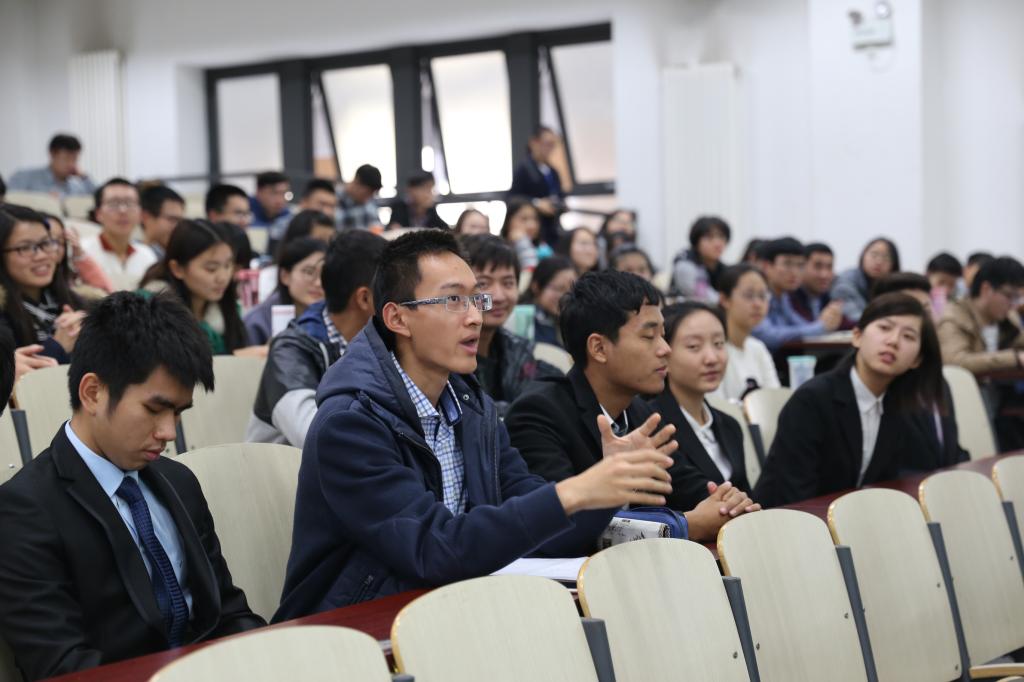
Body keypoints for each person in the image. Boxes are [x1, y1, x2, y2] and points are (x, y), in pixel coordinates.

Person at [274, 230, 673, 619]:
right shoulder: (350, 423)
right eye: (453, 300)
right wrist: (573, 492)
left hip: (450, 609)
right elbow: (434, 549)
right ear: (398, 318)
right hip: (351, 626)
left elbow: (541, 527)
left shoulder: (472, 407)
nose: (475, 317)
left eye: (475, 299)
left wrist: (603, 488)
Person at [0, 292, 265, 680]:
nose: (169, 432)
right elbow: (63, 665)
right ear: (93, 393)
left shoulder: (178, 481)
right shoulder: (25, 509)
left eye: (178, 412)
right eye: (154, 409)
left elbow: (228, 611)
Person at [505, 271, 758, 541]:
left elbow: (688, 486)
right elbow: (558, 523)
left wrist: (727, 503)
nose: (665, 349)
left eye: (663, 335)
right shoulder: (539, 414)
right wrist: (686, 525)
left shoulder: (642, 414)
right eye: (649, 337)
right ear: (599, 348)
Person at [754, 293, 947, 506]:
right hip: (785, 518)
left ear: (917, 360)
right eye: (884, 328)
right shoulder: (812, 400)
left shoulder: (899, 408)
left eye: (908, 336)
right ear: (856, 336)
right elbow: (793, 492)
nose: (893, 341)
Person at [248, 231, 385, 447]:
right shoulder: (290, 351)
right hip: (285, 468)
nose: (400, 301)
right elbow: (315, 436)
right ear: (364, 298)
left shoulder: (383, 341)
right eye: (391, 289)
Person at [649, 302, 755, 510]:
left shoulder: (730, 425)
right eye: (694, 347)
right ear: (664, 353)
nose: (712, 358)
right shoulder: (653, 425)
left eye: (719, 343)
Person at [869, 272, 970, 468]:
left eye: (926, 309)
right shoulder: (879, 389)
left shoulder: (937, 380)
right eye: (911, 310)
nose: (923, 320)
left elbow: (952, 450)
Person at [460, 234, 561, 415]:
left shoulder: (517, 350)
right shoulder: (446, 358)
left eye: (508, 283)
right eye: (483, 283)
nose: (498, 296)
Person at [937, 257, 1024, 450]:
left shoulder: (1006, 317)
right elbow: (955, 362)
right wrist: (1014, 358)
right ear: (986, 289)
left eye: (1017, 298)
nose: (1014, 304)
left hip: (999, 400)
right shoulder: (953, 316)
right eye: (1009, 296)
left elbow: (1019, 340)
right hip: (963, 402)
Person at [139, 221, 248, 355]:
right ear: (177, 269)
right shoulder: (148, 309)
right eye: (211, 268)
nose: (223, 278)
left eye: (227, 266)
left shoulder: (228, 306)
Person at [0, 205, 85, 364]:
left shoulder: (77, 302)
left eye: (46, 243)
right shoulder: (3, 315)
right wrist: (58, 346)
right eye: (25, 247)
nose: (41, 255)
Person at [752, 237, 843, 351]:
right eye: (787, 264)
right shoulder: (755, 294)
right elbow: (767, 336)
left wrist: (824, 322)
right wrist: (821, 326)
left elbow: (799, 325)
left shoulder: (783, 296)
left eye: (800, 265)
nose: (794, 272)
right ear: (767, 266)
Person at [712, 264, 781, 402]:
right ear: (724, 299)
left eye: (763, 296)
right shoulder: (714, 351)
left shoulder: (758, 348)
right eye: (749, 296)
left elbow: (775, 400)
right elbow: (717, 406)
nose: (758, 304)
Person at [243, 238, 326, 345]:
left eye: (324, 274)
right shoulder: (258, 321)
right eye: (309, 272)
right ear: (285, 276)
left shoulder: (334, 317)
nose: (318, 283)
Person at [80, 178, 158, 291]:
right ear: (98, 214)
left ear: (140, 213)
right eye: (114, 204)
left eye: (130, 203)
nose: (123, 210)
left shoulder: (147, 255)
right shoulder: (83, 251)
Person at [509, 126, 565, 246]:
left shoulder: (553, 172)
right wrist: (537, 203)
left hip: (552, 227)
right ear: (534, 143)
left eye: (553, 145)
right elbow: (512, 198)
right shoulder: (524, 169)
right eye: (547, 144)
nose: (550, 149)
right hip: (533, 232)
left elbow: (559, 194)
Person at [43, 212, 113, 296]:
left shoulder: (67, 279)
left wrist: (78, 254)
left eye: (61, 241)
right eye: (48, 242)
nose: (56, 248)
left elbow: (108, 293)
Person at [831, 237, 900, 321]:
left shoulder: (895, 288)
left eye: (886, 257)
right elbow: (857, 318)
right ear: (863, 255)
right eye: (874, 255)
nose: (879, 261)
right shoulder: (845, 283)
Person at [6, 134, 95, 198]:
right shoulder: (24, 177)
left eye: (75, 159)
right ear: (52, 154)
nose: (71, 164)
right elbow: (8, 203)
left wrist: (84, 177)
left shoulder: (77, 187)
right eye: (66, 158)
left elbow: (98, 200)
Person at [789, 242, 852, 327]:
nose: (824, 275)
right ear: (802, 267)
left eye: (829, 267)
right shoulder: (789, 297)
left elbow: (847, 324)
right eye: (818, 267)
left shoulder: (826, 297)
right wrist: (821, 324)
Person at [671, 216, 730, 304]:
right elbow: (705, 296)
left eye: (721, 237)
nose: (717, 243)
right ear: (696, 241)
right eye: (709, 237)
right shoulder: (685, 265)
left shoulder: (723, 269)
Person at [522, 255, 575, 348]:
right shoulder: (522, 319)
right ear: (536, 286)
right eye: (559, 288)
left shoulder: (571, 321)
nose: (566, 296)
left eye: (571, 290)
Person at [499, 197, 551, 270]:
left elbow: (531, 272)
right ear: (508, 222)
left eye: (535, 219)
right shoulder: (498, 250)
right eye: (524, 219)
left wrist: (522, 243)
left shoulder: (544, 250)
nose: (532, 225)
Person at [140, 185, 185, 260]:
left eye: (180, 221)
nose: (178, 227)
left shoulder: (177, 258)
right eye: (172, 219)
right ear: (146, 217)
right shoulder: (133, 257)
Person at [249, 172, 293, 248]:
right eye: (274, 193)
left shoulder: (287, 216)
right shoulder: (245, 212)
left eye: (284, 193)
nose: (280, 200)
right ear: (259, 192)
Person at [337, 164, 383, 231]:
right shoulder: (334, 199)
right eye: (367, 193)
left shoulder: (370, 202)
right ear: (357, 182)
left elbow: (377, 226)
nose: (368, 198)